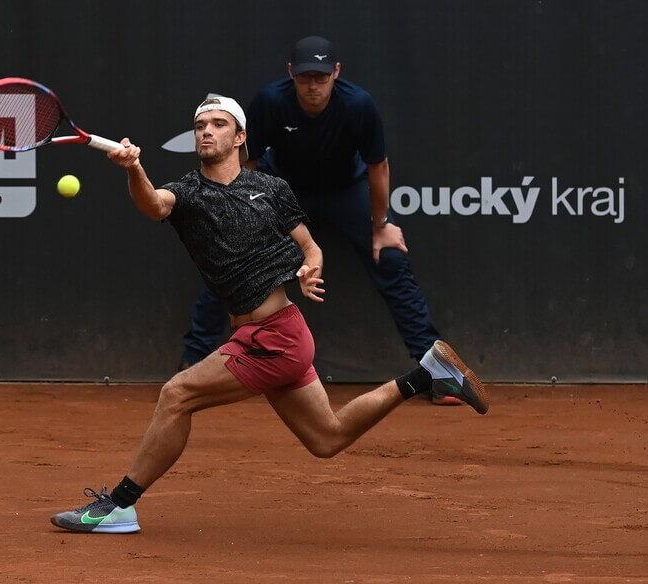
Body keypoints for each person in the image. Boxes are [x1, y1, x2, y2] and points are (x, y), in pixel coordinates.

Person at [49, 96, 489, 534]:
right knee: (327, 438)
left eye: (219, 124)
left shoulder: (272, 188)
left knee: (177, 395)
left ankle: (121, 505)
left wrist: (311, 267)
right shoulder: (186, 192)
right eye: (201, 124)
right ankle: (426, 374)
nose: (207, 130)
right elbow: (154, 205)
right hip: (271, 336)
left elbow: (309, 244)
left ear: (240, 137)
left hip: (275, 337)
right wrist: (134, 169)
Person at [179, 36, 460, 405]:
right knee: (232, 259)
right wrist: (238, 215)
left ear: (336, 73)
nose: (313, 85)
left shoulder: (358, 105)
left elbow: (378, 166)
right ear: (291, 73)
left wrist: (381, 225)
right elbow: (245, 163)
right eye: (306, 76)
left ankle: (437, 375)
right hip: (281, 188)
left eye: (322, 77)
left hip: (345, 191)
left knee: (390, 258)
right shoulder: (270, 102)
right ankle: (192, 365)